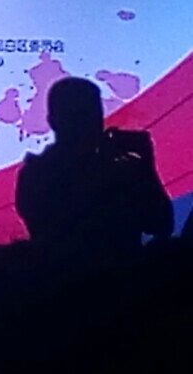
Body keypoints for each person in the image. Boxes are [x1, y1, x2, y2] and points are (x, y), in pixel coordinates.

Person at [15, 77, 173, 262]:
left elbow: (161, 225)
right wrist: (140, 167)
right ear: (54, 121)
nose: (86, 125)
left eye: (91, 116)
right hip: (83, 275)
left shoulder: (35, 174)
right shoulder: (38, 175)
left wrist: (144, 165)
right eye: (77, 117)